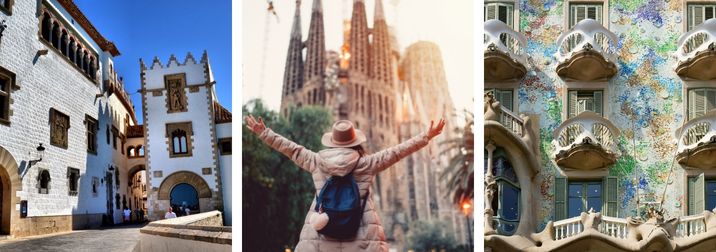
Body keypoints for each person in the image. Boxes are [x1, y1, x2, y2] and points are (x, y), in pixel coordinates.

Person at [245, 115, 445, 252]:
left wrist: (264, 133)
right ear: (356, 143)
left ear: (332, 142)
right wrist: (426, 136)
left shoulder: (317, 162)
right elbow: (397, 151)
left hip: (320, 234)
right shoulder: (367, 164)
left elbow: (292, 150)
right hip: (361, 234)